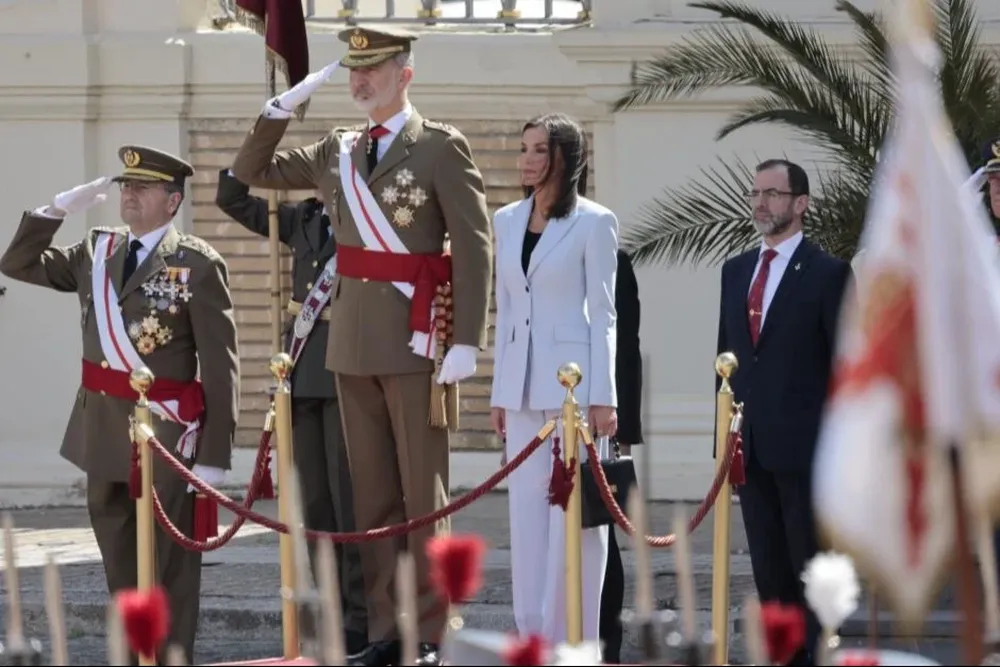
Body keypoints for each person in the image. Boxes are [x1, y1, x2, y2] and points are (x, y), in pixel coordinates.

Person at [230, 25, 493, 667]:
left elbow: (475, 242)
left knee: (421, 496)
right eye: (352, 70)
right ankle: (385, 628)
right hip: (347, 344)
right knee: (371, 498)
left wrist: (467, 340)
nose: (358, 81)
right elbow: (252, 172)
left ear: (405, 72)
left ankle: (430, 632)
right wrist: (282, 107)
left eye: (372, 69)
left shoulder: (437, 146)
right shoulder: (335, 149)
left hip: (414, 340)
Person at [0, 146, 240, 664]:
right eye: (126, 186)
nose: (129, 194)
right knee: (120, 563)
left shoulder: (197, 264)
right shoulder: (96, 251)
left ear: (172, 200)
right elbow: (16, 263)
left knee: (169, 564)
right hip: (102, 432)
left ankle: (172, 657)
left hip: (168, 437)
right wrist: (55, 210)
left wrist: (216, 455)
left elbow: (221, 368)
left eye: (144, 187)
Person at [214, 169, 368, 653]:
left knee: (350, 503)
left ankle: (360, 616)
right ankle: (329, 608)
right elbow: (233, 200)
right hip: (300, 373)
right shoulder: (297, 215)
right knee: (315, 503)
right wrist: (266, 134)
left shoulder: (368, 218)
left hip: (348, 367)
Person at [489, 112, 619, 646]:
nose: (526, 159)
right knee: (526, 518)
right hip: (520, 389)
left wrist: (604, 397)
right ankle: (532, 637)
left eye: (539, 149)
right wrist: (500, 390)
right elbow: (506, 306)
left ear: (564, 157)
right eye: (523, 148)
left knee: (578, 520)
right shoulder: (505, 219)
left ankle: (577, 639)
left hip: (575, 393)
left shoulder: (595, 221)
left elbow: (605, 314)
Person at [716, 158, 851, 666]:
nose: (760, 202)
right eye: (755, 193)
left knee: (808, 571)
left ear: (801, 204)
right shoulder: (734, 272)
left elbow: (844, 366)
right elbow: (724, 364)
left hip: (806, 452)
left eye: (772, 193)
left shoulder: (829, 274)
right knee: (769, 574)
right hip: (749, 451)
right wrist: (722, 449)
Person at [599, 248, 642, 664]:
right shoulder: (521, 242)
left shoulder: (614, 258)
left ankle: (606, 643)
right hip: (538, 421)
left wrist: (624, 432)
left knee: (600, 535)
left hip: (598, 423)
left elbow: (626, 348)